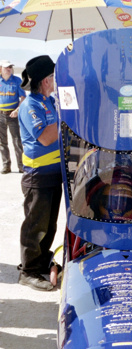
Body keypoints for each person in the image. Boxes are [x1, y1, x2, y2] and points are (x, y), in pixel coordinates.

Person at [17, 55, 62, 291]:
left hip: (54, 174)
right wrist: (65, 113)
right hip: (38, 176)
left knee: (50, 224)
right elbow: (45, 138)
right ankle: (28, 271)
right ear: (45, 80)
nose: (55, 81)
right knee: (36, 225)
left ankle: (41, 261)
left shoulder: (50, 101)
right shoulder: (31, 105)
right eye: (53, 77)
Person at [0, 60, 25, 174]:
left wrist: (17, 110)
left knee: (17, 141)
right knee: (2, 142)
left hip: (12, 115)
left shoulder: (17, 81)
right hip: (0, 115)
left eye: (10, 67)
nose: (9, 69)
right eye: (6, 67)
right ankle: (6, 165)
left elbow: (23, 98)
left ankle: (21, 166)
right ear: (1, 69)